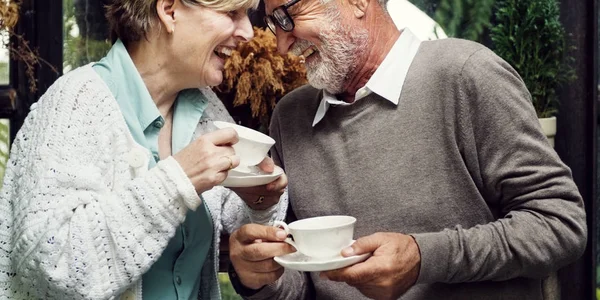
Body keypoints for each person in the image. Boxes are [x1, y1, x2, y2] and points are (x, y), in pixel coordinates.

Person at [226, 0, 588, 298]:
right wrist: (260, 275)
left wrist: (423, 257)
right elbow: (306, 280)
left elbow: (559, 224)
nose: (281, 45)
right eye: (274, 24)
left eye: (289, 14)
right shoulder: (290, 117)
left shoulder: (465, 75)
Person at [0, 0, 288, 299]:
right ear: (169, 10)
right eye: (232, 14)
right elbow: (53, 265)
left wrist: (260, 200)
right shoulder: (75, 103)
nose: (247, 32)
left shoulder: (205, 109)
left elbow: (237, 225)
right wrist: (176, 182)